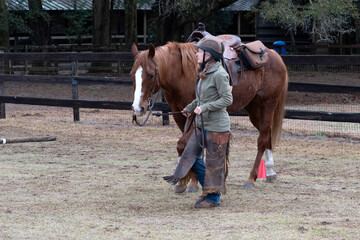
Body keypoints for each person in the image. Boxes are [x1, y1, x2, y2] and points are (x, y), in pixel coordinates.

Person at [163, 35, 233, 208]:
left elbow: (227, 99)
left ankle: (213, 199)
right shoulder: (203, 73)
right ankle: (208, 190)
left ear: (209, 55)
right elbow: (201, 98)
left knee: (214, 163)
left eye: (200, 52)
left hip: (217, 126)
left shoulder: (219, 74)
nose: (196, 54)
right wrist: (189, 107)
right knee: (189, 156)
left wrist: (206, 107)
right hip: (202, 124)